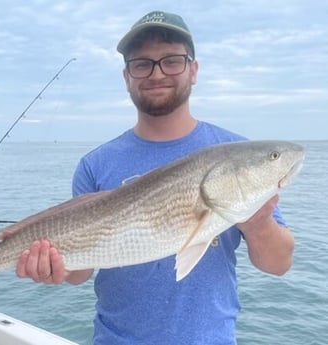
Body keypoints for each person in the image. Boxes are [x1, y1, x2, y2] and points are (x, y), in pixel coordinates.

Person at [15, 11, 295, 344]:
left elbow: (279, 264)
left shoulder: (234, 154)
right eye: (142, 63)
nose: (157, 73)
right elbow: (79, 274)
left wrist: (257, 221)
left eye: (172, 60)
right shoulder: (95, 163)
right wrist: (51, 266)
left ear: (193, 69)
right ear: (127, 76)